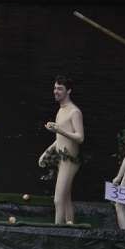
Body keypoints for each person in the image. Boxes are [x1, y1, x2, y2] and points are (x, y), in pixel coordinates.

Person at [38, 76, 84, 224]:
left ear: (68, 91)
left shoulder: (74, 112)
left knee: (58, 200)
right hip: (61, 160)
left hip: (69, 161)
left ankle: (57, 231)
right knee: (65, 199)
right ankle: (70, 227)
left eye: (59, 89)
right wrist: (47, 152)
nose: (55, 92)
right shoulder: (61, 110)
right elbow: (60, 138)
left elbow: (80, 137)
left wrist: (60, 130)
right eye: (55, 88)